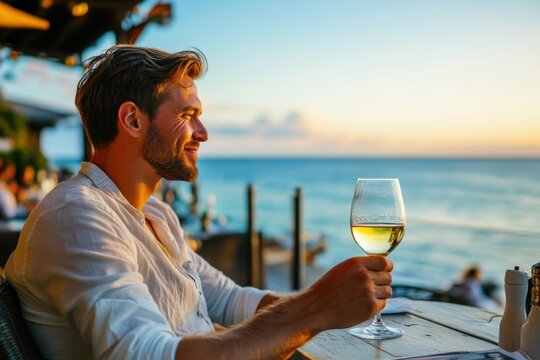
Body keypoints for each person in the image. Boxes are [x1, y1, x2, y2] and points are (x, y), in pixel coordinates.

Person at [5, 45, 394, 359]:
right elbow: (150, 355)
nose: (202, 133)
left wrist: (330, 301)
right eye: (188, 115)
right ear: (133, 120)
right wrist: (315, 309)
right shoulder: (76, 214)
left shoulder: (155, 215)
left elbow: (229, 299)